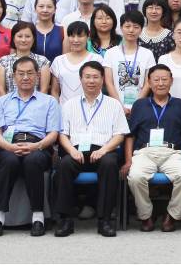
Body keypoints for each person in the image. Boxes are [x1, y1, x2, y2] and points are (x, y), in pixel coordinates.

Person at [52, 60, 129, 237]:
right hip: (76, 150)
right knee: (64, 165)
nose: (91, 81)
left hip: (104, 150)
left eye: (95, 77)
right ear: (81, 79)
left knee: (109, 164)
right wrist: (71, 150)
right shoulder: (69, 104)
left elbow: (120, 134)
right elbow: (63, 134)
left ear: (102, 79)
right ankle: (65, 220)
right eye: (87, 77)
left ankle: (105, 220)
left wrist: (104, 150)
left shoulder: (113, 104)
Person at [0, 56, 59, 237]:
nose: (25, 77)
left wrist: (37, 146)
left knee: (33, 161)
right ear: (13, 76)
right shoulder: (2, 101)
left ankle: (38, 217)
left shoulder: (49, 101)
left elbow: (53, 134)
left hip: (38, 145)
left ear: (37, 76)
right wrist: (8, 147)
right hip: (8, 144)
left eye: (30, 73)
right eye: (21, 73)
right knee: (8, 161)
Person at [125, 65, 181, 232]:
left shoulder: (180, 105)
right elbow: (130, 136)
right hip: (144, 152)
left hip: (172, 153)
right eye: (156, 80)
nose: (160, 83)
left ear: (171, 81)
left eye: (164, 79)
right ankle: (146, 216)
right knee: (135, 176)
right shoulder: (140, 105)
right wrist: (128, 161)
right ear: (149, 83)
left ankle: (172, 216)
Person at [104, 10, 157, 109]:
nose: (131, 30)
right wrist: (119, 106)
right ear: (121, 28)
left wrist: (137, 106)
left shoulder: (147, 54)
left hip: (140, 107)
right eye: (127, 26)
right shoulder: (110, 53)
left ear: (141, 30)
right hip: (115, 106)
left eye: (136, 27)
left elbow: (148, 83)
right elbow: (109, 82)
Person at [0, 22, 53, 96]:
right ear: (13, 39)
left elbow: (44, 90)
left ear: (33, 39)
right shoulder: (3, 61)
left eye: (27, 36)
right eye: (20, 36)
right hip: (9, 102)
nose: (23, 40)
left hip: (37, 102)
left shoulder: (43, 61)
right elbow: (1, 90)